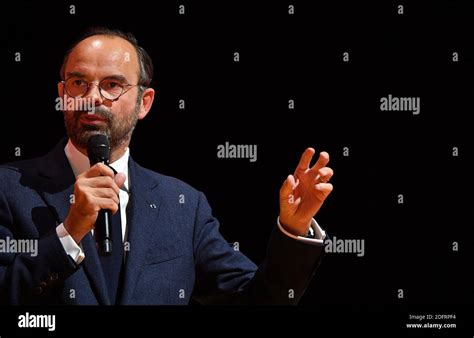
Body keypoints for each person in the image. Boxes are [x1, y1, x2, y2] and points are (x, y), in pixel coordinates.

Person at [0, 27, 334, 305]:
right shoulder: (9, 188)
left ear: (144, 103)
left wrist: (293, 231)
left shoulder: (183, 207)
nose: (94, 97)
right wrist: (69, 233)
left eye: (113, 85)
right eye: (78, 83)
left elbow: (258, 300)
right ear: (62, 94)